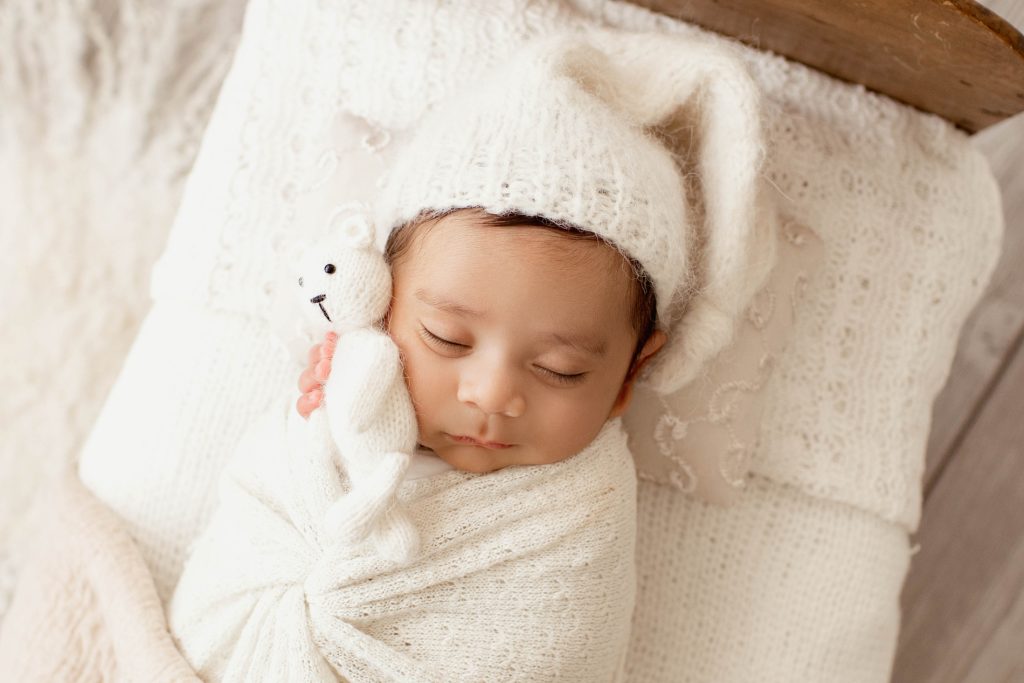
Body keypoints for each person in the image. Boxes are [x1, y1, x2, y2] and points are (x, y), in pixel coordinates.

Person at [295, 205, 666, 475]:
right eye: (448, 339)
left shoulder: (592, 500)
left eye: (559, 369)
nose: (491, 396)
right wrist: (336, 418)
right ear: (381, 313)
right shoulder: (347, 402)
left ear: (629, 375)